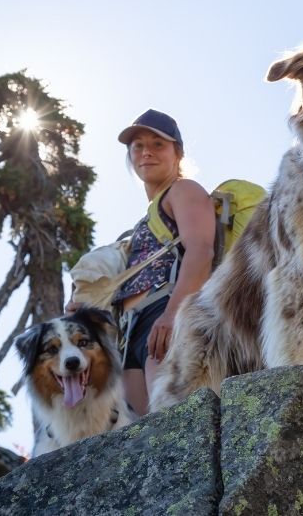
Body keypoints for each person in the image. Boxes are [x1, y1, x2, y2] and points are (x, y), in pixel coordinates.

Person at [111, 109, 215, 416]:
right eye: (138, 146)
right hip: (131, 331)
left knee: (174, 421)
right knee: (147, 435)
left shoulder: (183, 190)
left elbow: (201, 250)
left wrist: (173, 315)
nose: (146, 152)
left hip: (166, 312)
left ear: (178, 154)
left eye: (158, 144)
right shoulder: (144, 220)